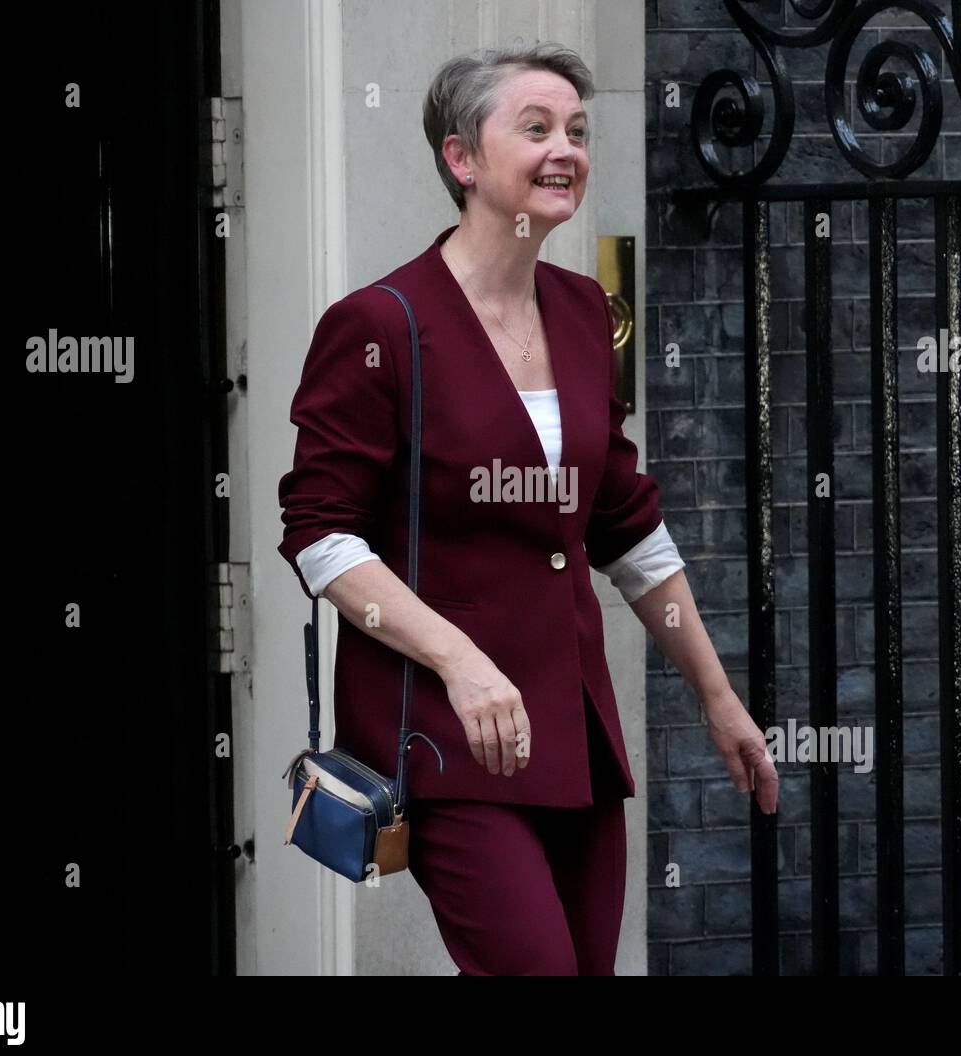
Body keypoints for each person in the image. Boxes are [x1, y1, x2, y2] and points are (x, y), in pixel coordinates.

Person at [277, 42, 778, 976]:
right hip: (446, 736)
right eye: (537, 127)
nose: (568, 150)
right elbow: (320, 535)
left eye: (580, 133)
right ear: (462, 159)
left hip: (575, 735)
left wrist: (718, 697)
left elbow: (624, 524)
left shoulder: (589, 311)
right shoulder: (381, 325)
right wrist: (460, 661)